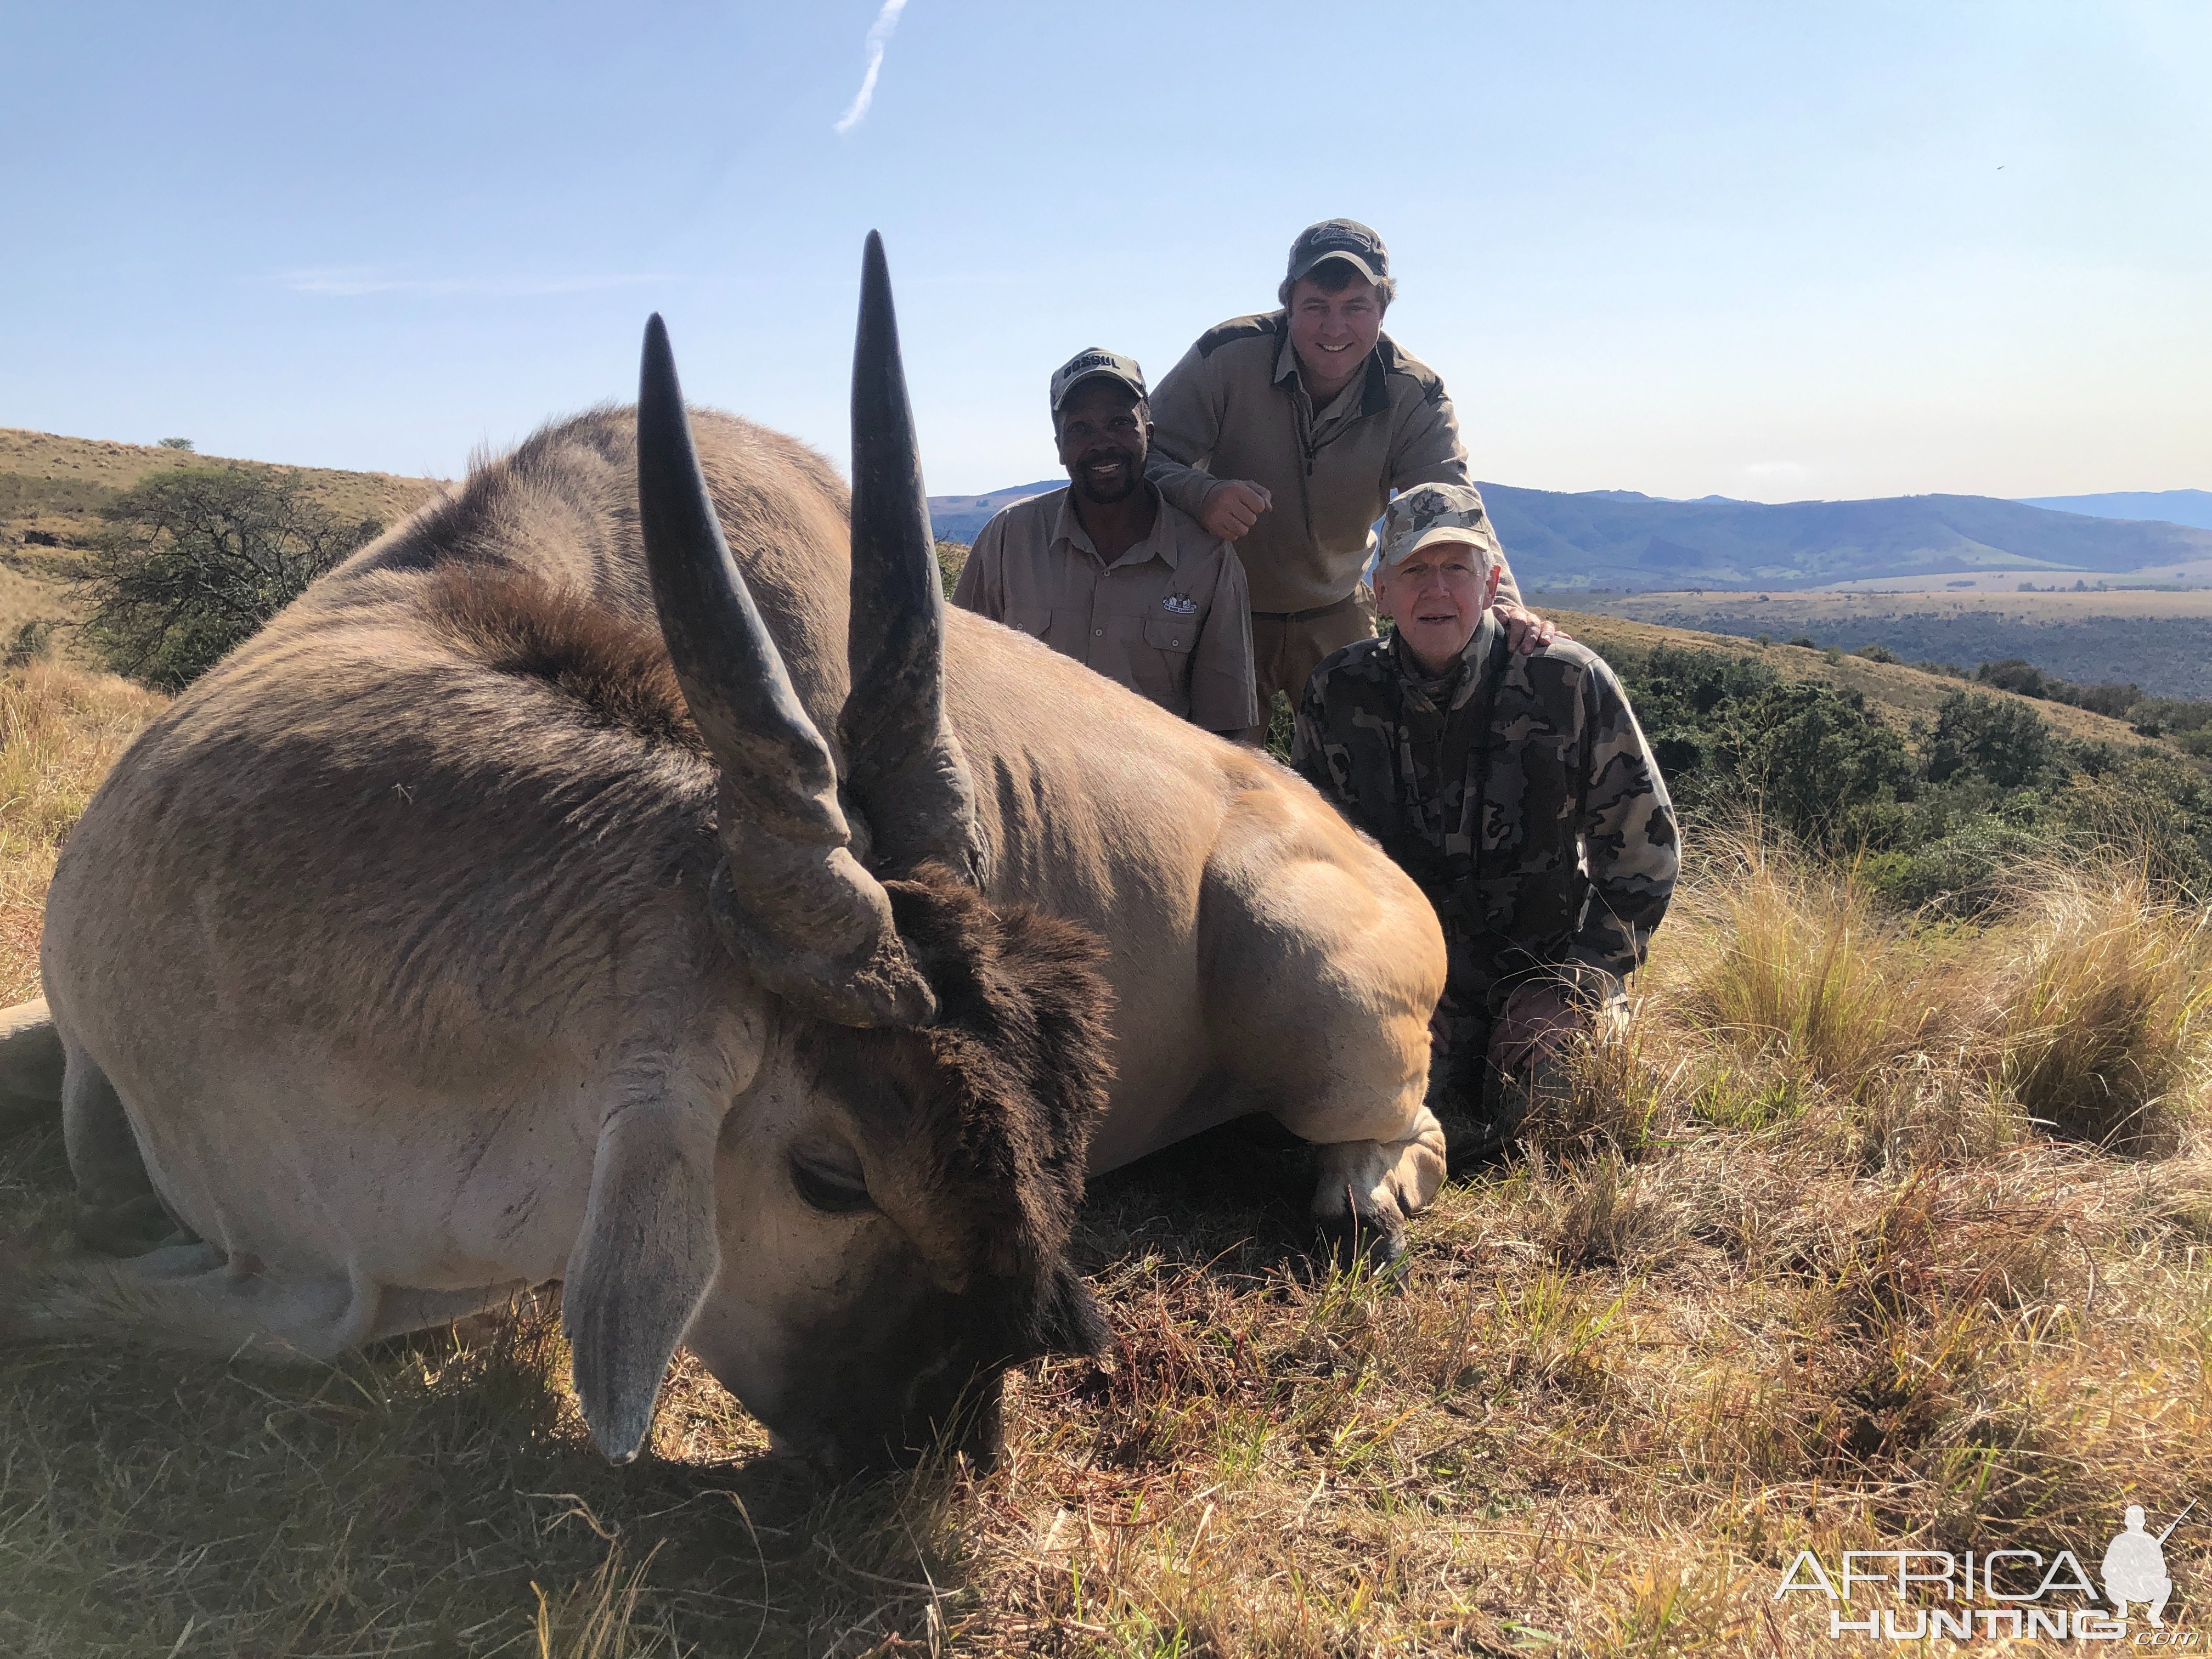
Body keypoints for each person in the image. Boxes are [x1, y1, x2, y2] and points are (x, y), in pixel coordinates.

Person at [1291, 483, 1678, 1163]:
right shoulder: (1337, 693)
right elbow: (1312, 870)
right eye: (1414, 570)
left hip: (1547, 973)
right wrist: (1386, 990)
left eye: (1456, 569)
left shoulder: (1566, 681)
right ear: (1379, 591)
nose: (1435, 590)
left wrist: (1572, 989)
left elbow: (1645, 855)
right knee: (1340, 1112)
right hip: (1409, 983)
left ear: (1492, 582)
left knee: (1558, 1120)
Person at [1146, 218, 1558, 739]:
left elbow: (1453, 507)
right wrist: (1201, 495)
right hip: (1223, 609)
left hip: (1335, 608)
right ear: (1288, 304)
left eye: (1355, 308)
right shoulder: (1225, 356)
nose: (1334, 328)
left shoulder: (1415, 391)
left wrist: (1504, 606)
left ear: (1382, 311)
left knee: (1353, 785)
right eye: (1316, 306)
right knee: (1223, 779)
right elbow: (1144, 454)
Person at [953, 348, 1257, 737]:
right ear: (1060, 446)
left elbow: (1227, 728)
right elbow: (959, 679)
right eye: (1081, 429)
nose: (1102, 444)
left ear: (1149, 434)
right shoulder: (1008, 538)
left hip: (1151, 788)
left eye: (1119, 423)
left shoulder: (1207, 559)